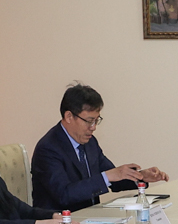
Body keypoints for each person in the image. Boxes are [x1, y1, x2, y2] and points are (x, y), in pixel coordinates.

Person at [31, 84, 168, 213]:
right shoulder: (48, 148)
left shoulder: (90, 142)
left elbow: (114, 179)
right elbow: (64, 195)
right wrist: (108, 176)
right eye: (89, 121)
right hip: (59, 223)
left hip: (90, 217)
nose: (94, 127)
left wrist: (141, 176)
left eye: (96, 120)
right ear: (69, 117)